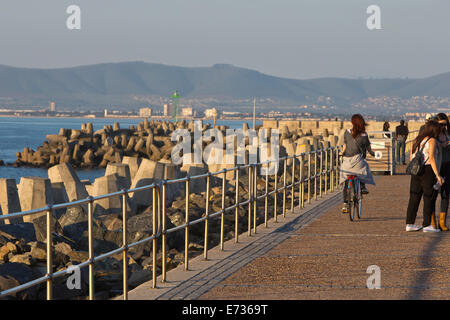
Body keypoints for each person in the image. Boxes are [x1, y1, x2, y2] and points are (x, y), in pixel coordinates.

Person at [405, 120, 443, 232]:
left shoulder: (417, 140)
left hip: (416, 171)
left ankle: (409, 223)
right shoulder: (431, 140)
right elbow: (431, 158)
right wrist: (437, 175)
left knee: (414, 197)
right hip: (427, 170)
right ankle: (427, 225)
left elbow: (411, 158)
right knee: (428, 197)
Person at [340, 114, 376, 213]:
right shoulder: (364, 135)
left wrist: (341, 153)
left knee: (346, 182)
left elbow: (345, 145)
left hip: (346, 163)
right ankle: (363, 186)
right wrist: (373, 154)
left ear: (352, 123)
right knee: (365, 167)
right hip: (358, 162)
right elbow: (369, 149)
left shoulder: (347, 133)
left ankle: (345, 204)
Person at [435, 113, 450, 231]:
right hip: (437, 166)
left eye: (445, 124)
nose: (443, 127)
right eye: (441, 124)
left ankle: (442, 222)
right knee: (433, 194)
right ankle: (431, 221)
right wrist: (441, 145)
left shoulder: (447, 133)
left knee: (445, 194)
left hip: (447, 165)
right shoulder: (433, 135)